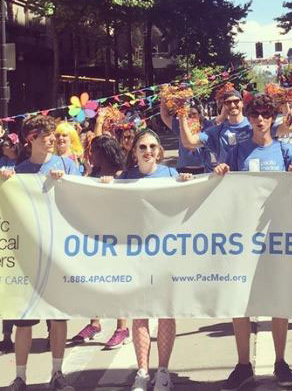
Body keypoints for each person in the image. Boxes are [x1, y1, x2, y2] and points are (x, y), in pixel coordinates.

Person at [213, 93, 292, 390]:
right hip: (243, 237)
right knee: (241, 300)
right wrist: (220, 172)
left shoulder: (285, 150)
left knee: (279, 298)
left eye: (265, 115)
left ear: (272, 118)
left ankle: (280, 360)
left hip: (277, 236)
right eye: (255, 115)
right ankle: (243, 364)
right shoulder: (237, 150)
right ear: (249, 118)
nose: (260, 120)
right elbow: (222, 183)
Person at [0, 114, 80, 391]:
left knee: (57, 316)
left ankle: (57, 373)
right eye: (46, 137)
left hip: (58, 252)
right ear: (31, 139)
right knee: (25, 319)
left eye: (54, 136)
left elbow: (85, 197)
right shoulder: (18, 170)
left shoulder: (67, 164)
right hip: (28, 254)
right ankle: (20, 376)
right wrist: (3, 181)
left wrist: (67, 182)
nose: (53, 141)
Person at [120, 129, 192, 391]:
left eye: (152, 147)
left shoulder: (171, 175)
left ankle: (162, 371)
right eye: (142, 147)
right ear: (135, 152)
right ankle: (142, 371)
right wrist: (104, 183)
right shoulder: (125, 178)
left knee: (165, 312)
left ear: (160, 151)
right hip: (137, 254)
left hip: (166, 253)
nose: (148, 151)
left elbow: (186, 202)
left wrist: (186, 182)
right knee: (139, 313)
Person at [71, 136, 131, 351]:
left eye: (94, 151)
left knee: (117, 283)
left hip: (118, 238)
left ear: (105, 152)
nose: (91, 154)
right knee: (94, 281)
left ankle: (122, 328)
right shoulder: (93, 173)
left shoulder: (121, 175)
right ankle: (94, 324)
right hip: (94, 236)